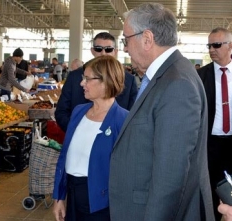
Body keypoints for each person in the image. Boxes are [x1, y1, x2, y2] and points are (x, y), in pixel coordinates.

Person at [109, 3, 214, 220]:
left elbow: (170, 177)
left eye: (126, 40)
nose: (126, 48)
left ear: (147, 39)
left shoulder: (177, 84)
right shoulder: (167, 75)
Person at [52, 55, 128, 221]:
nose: (82, 83)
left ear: (106, 81)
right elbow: (65, 156)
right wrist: (59, 197)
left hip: (100, 202)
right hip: (72, 193)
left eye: (87, 79)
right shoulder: (79, 111)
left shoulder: (123, 120)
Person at [55, 32, 138, 132]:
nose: (103, 53)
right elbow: (61, 111)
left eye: (108, 49)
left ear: (115, 51)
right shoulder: (74, 77)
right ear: (92, 51)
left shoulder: (128, 80)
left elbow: (133, 115)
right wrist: (77, 131)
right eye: (99, 49)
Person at [197, 27, 232, 220]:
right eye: (209, 45)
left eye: (217, 45)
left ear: (230, 46)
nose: (212, 49)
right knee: (208, 189)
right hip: (210, 145)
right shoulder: (200, 76)